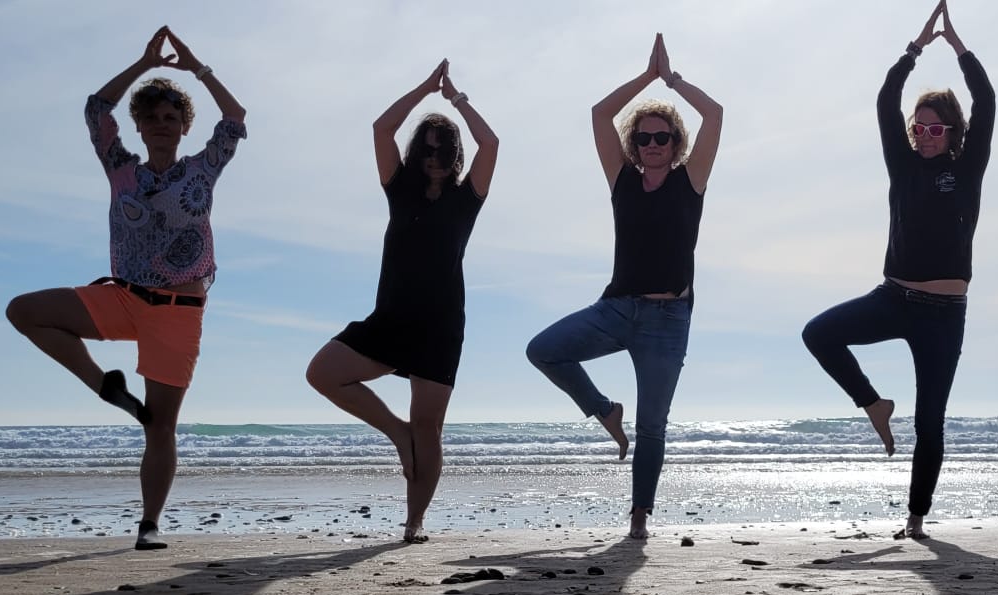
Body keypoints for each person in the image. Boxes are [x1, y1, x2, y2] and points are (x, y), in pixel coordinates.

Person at [6, 26, 246, 550]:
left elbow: (234, 118)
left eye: (170, 118)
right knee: (23, 310)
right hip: (121, 297)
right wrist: (143, 64)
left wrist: (197, 68)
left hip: (178, 311)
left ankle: (149, 526)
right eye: (151, 118)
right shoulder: (121, 171)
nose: (161, 125)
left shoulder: (204, 170)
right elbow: (96, 109)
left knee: (160, 424)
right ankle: (103, 386)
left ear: (183, 126)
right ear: (138, 126)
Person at [801, 0, 994, 540]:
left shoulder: (969, 167)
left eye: (937, 129)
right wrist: (912, 51)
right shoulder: (902, 163)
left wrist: (958, 48)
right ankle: (872, 403)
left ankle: (916, 520)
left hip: (944, 315)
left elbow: (988, 99)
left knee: (930, 420)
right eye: (920, 128)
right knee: (818, 333)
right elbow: (886, 99)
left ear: (954, 133)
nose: (926, 135)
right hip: (893, 298)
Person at [525, 34, 722, 540]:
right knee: (543, 350)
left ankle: (639, 519)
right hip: (616, 309)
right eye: (644, 138)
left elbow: (716, 115)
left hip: (668, 322)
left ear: (677, 144)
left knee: (653, 426)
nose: (652, 146)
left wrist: (673, 81)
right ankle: (604, 410)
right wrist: (645, 78)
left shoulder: (690, 180)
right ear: (633, 145)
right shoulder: (622, 180)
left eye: (662, 138)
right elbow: (598, 114)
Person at [305, 60, 497, 544]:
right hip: (391, 317)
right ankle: (396, 432)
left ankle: (413, 525)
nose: (434, 155)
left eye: (444, 148)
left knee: (429, 425)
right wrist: (423, 90)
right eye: (427, 147)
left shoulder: (467, 198)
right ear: (416, 152)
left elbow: (491, 144)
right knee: (322, 373)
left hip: (440, 324)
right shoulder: (398, 190)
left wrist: (455, 99)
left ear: (455, 155)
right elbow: (381, 127)